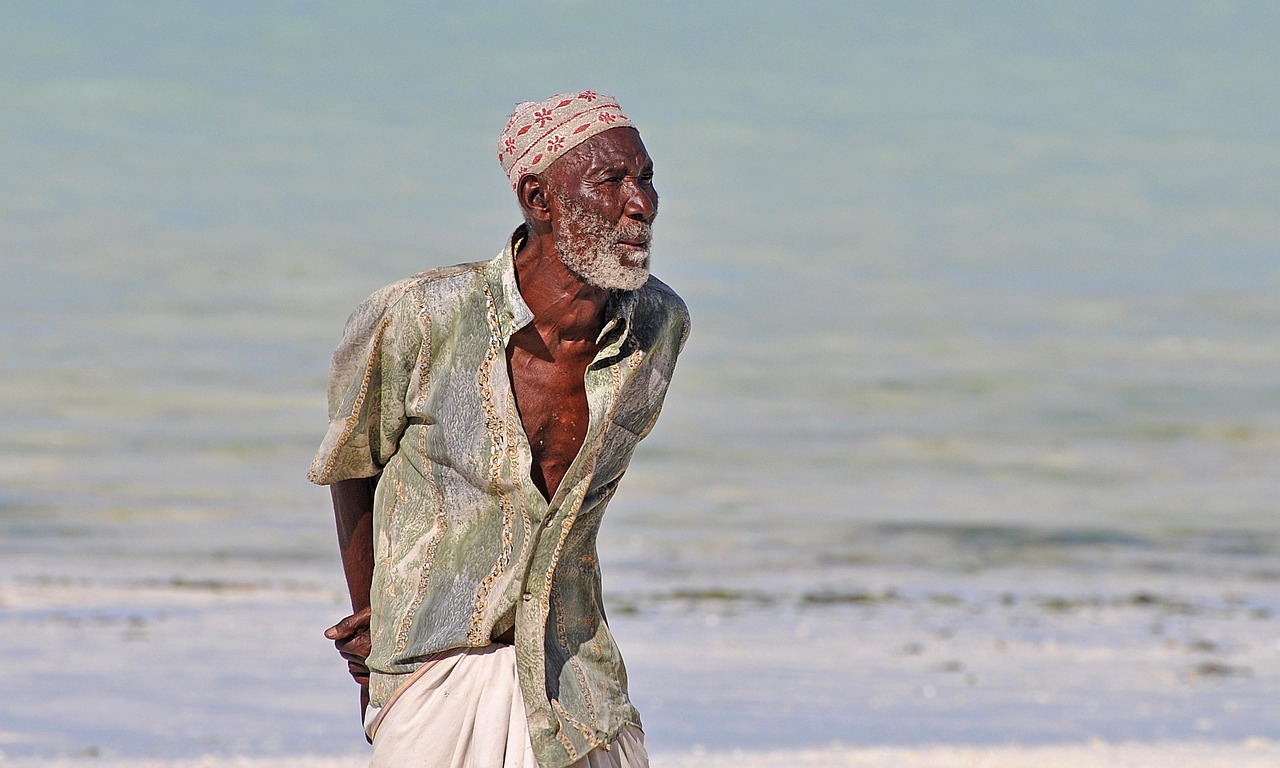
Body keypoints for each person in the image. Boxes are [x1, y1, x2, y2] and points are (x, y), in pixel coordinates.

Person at [309, 91, 690, 768]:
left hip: (579, 687)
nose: (642, 204)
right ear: (539, 200)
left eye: (647, 178)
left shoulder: (658, 327)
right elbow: (352, 467)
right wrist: (374, 618)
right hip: (434, 675)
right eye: (611, 182)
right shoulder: (418, 317)